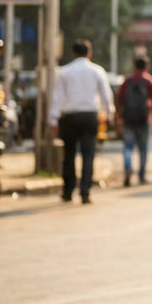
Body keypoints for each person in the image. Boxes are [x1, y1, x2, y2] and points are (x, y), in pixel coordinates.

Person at [48, 39, 114, 204]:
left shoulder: (64, 72)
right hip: (89, 116)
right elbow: (106, 96)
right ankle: (85, 192)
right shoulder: (97, 71)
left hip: (69, 117)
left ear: (73, 53)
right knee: (88, 155)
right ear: (89, 53)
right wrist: (110, 114)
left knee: (68, 156)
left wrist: (53, 120)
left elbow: (57, 98)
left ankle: (68, 191)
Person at [116, 55, 152, 186]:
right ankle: (141, 174)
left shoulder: (127, 81)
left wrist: (118, 119)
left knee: (128, 147)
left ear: (134, 66)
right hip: (144, 119)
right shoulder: (150, 81)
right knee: (143, 148)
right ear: (147, 67)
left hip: (128, 119)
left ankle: (128, 169)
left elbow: (119, 101)